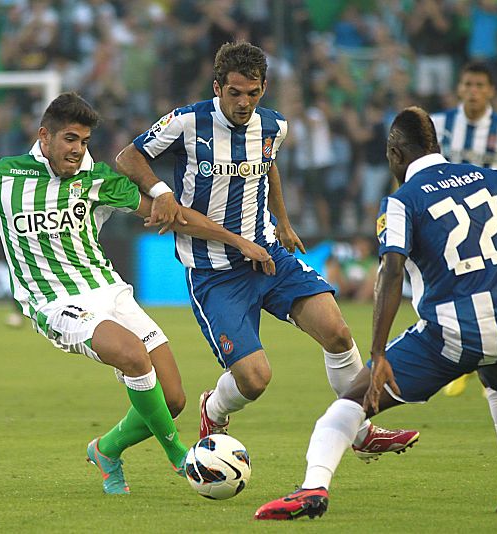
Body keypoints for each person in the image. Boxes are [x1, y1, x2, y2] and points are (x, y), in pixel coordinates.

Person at [0, 92, 276, 494]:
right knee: (129, 355)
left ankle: (105, 451)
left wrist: (237, 241)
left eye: (85, 141)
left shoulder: (98, 179)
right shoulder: (3, 176)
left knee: (174, 398)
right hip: (53, 303)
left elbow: (173, 216)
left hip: (110, 293)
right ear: (44, 136)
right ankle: (180, 458)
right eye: (70, 139)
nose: (78, 149)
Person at [115, 41, 418, 459]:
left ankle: (362, 431)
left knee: (338, 332)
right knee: (255, 380)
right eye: (235, 92)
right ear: (217, 86)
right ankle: (214, 406)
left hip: (269, 255)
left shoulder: (274, 126)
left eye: (253, 93)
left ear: (264, 88)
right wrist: (161, 190)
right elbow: (127, 156)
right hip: (214, 272)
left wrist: (284, 220)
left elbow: (268, 162)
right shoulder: (187, 122)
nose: (244, 102)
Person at [254, 106, 497, 520]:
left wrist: (378, 355)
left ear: (395, 154)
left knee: (350, 400)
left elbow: (391, 272)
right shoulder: (495, 179)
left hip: (451, 332)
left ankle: (312, 488)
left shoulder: (401, 200)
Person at [431, 61, 497, 396]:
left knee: (494, 290)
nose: (473, 91)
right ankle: (467, 357)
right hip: (451, 221)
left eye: (480, 85)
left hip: (491, 222)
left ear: (491, 90)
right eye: (468, 84)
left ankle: (489, 358)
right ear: (459, 88)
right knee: (454, 288)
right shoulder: (441, 123)